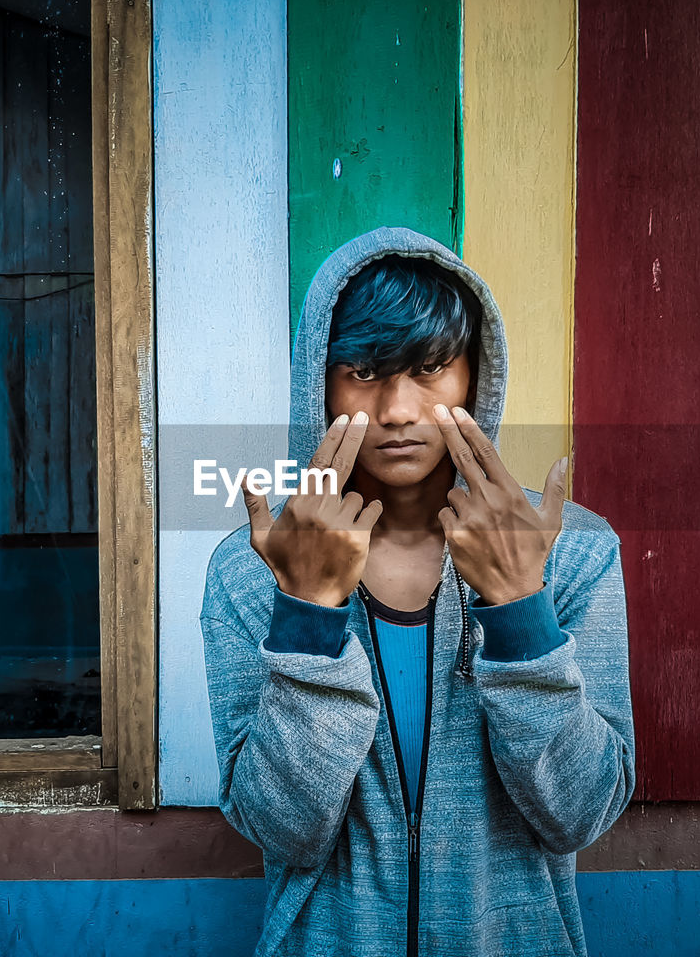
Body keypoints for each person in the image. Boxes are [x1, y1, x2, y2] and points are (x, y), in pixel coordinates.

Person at [200, 225, 635, 957]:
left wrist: (520, 609)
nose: (397, 409)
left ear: (474, 378)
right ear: (320, 380)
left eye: (430, 369)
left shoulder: (571, 553)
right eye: (364, 371)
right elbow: (282, 830)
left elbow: (581, 813)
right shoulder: (252, 569)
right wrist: (306, 616)